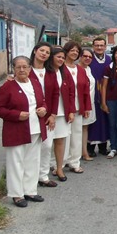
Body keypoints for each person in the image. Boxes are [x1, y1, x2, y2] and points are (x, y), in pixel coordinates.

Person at [0, 56, 48, 207]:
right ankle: (17, 194)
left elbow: (42, 100)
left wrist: (44, 108)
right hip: (16, 130)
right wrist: (16, 115)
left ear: (30, 68)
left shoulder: (35, 83)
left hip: (35, 128)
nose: (22, 70)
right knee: (16, 162)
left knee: (33, 161)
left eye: (25, 67)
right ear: (14, 69)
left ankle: (30, 191)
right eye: (18, 67)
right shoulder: (7, 87)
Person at [29, 42, 59, 188]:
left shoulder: (51, 72)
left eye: (47, 52)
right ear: (35, 51)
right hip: (30, 115)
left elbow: (55, 94)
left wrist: (53, 114)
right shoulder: (26, 70)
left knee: (47, 146)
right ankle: (30, 177)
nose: (44, 54)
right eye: (42, 50)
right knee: (32, 148)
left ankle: (43, 175)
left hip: (48, 115)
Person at [63, 41, 92, 174]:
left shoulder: (80, 70)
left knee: (77, 135)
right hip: (63, 108)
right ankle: (59, 163)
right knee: (63, 136)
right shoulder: (60, 68)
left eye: (76, 51)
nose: (74, 53)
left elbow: (86, 90)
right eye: (72, 50)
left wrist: (86, 107)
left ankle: (74, 162)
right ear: (66, 51)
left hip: (78, 107)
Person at [50, 47, 75, 182]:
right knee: (46, 145)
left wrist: (71, 110)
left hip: (62, 111)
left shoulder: (64, 72)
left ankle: (59, 168)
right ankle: (42, 172)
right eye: (58, 57)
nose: (61, 60)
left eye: (62, 58)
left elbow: (71, 92)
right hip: (48, 114)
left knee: (60, 142)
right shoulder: (46, 71)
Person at [87, 36, 111, 157]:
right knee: (92, 121)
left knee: (104, 121)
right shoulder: (89, 60)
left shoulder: (109, 60)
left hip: (105, 95)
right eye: (97, 45)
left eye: (102, 45)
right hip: (92, 95)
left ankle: (103, 146)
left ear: (105, 47)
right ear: (93, 47)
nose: (99, 47)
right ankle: (89, 148)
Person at [80, 48, 97, 162]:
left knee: (85, 128)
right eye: (85, 56)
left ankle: (84, 152)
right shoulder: (76, 69)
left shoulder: (89, 69)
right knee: (76, 130)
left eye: (90, 57)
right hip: (81, 104)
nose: (87, 58)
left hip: (90, 103)